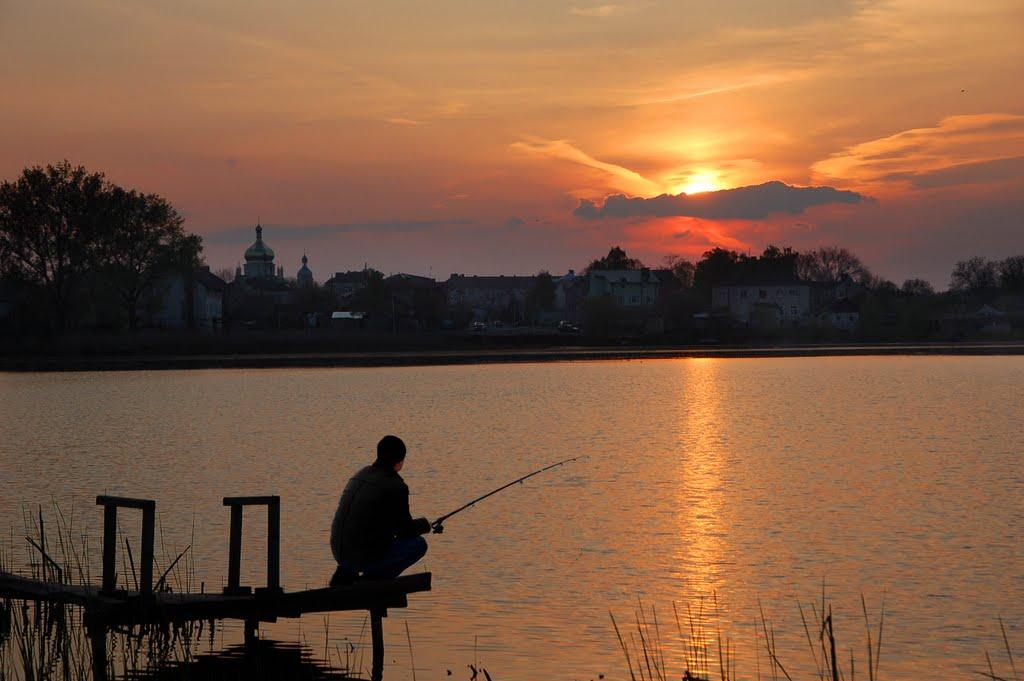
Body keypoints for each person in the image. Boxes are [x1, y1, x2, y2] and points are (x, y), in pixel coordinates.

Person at [329, 435, 441, 585]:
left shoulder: (360, 474)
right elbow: (404, 530)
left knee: (381, 537)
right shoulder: (396, 485)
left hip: (339, 554)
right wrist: (425, 525)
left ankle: (348, 572)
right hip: (361, 556)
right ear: (401, 460)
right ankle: (373, 580)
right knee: (419, 545)